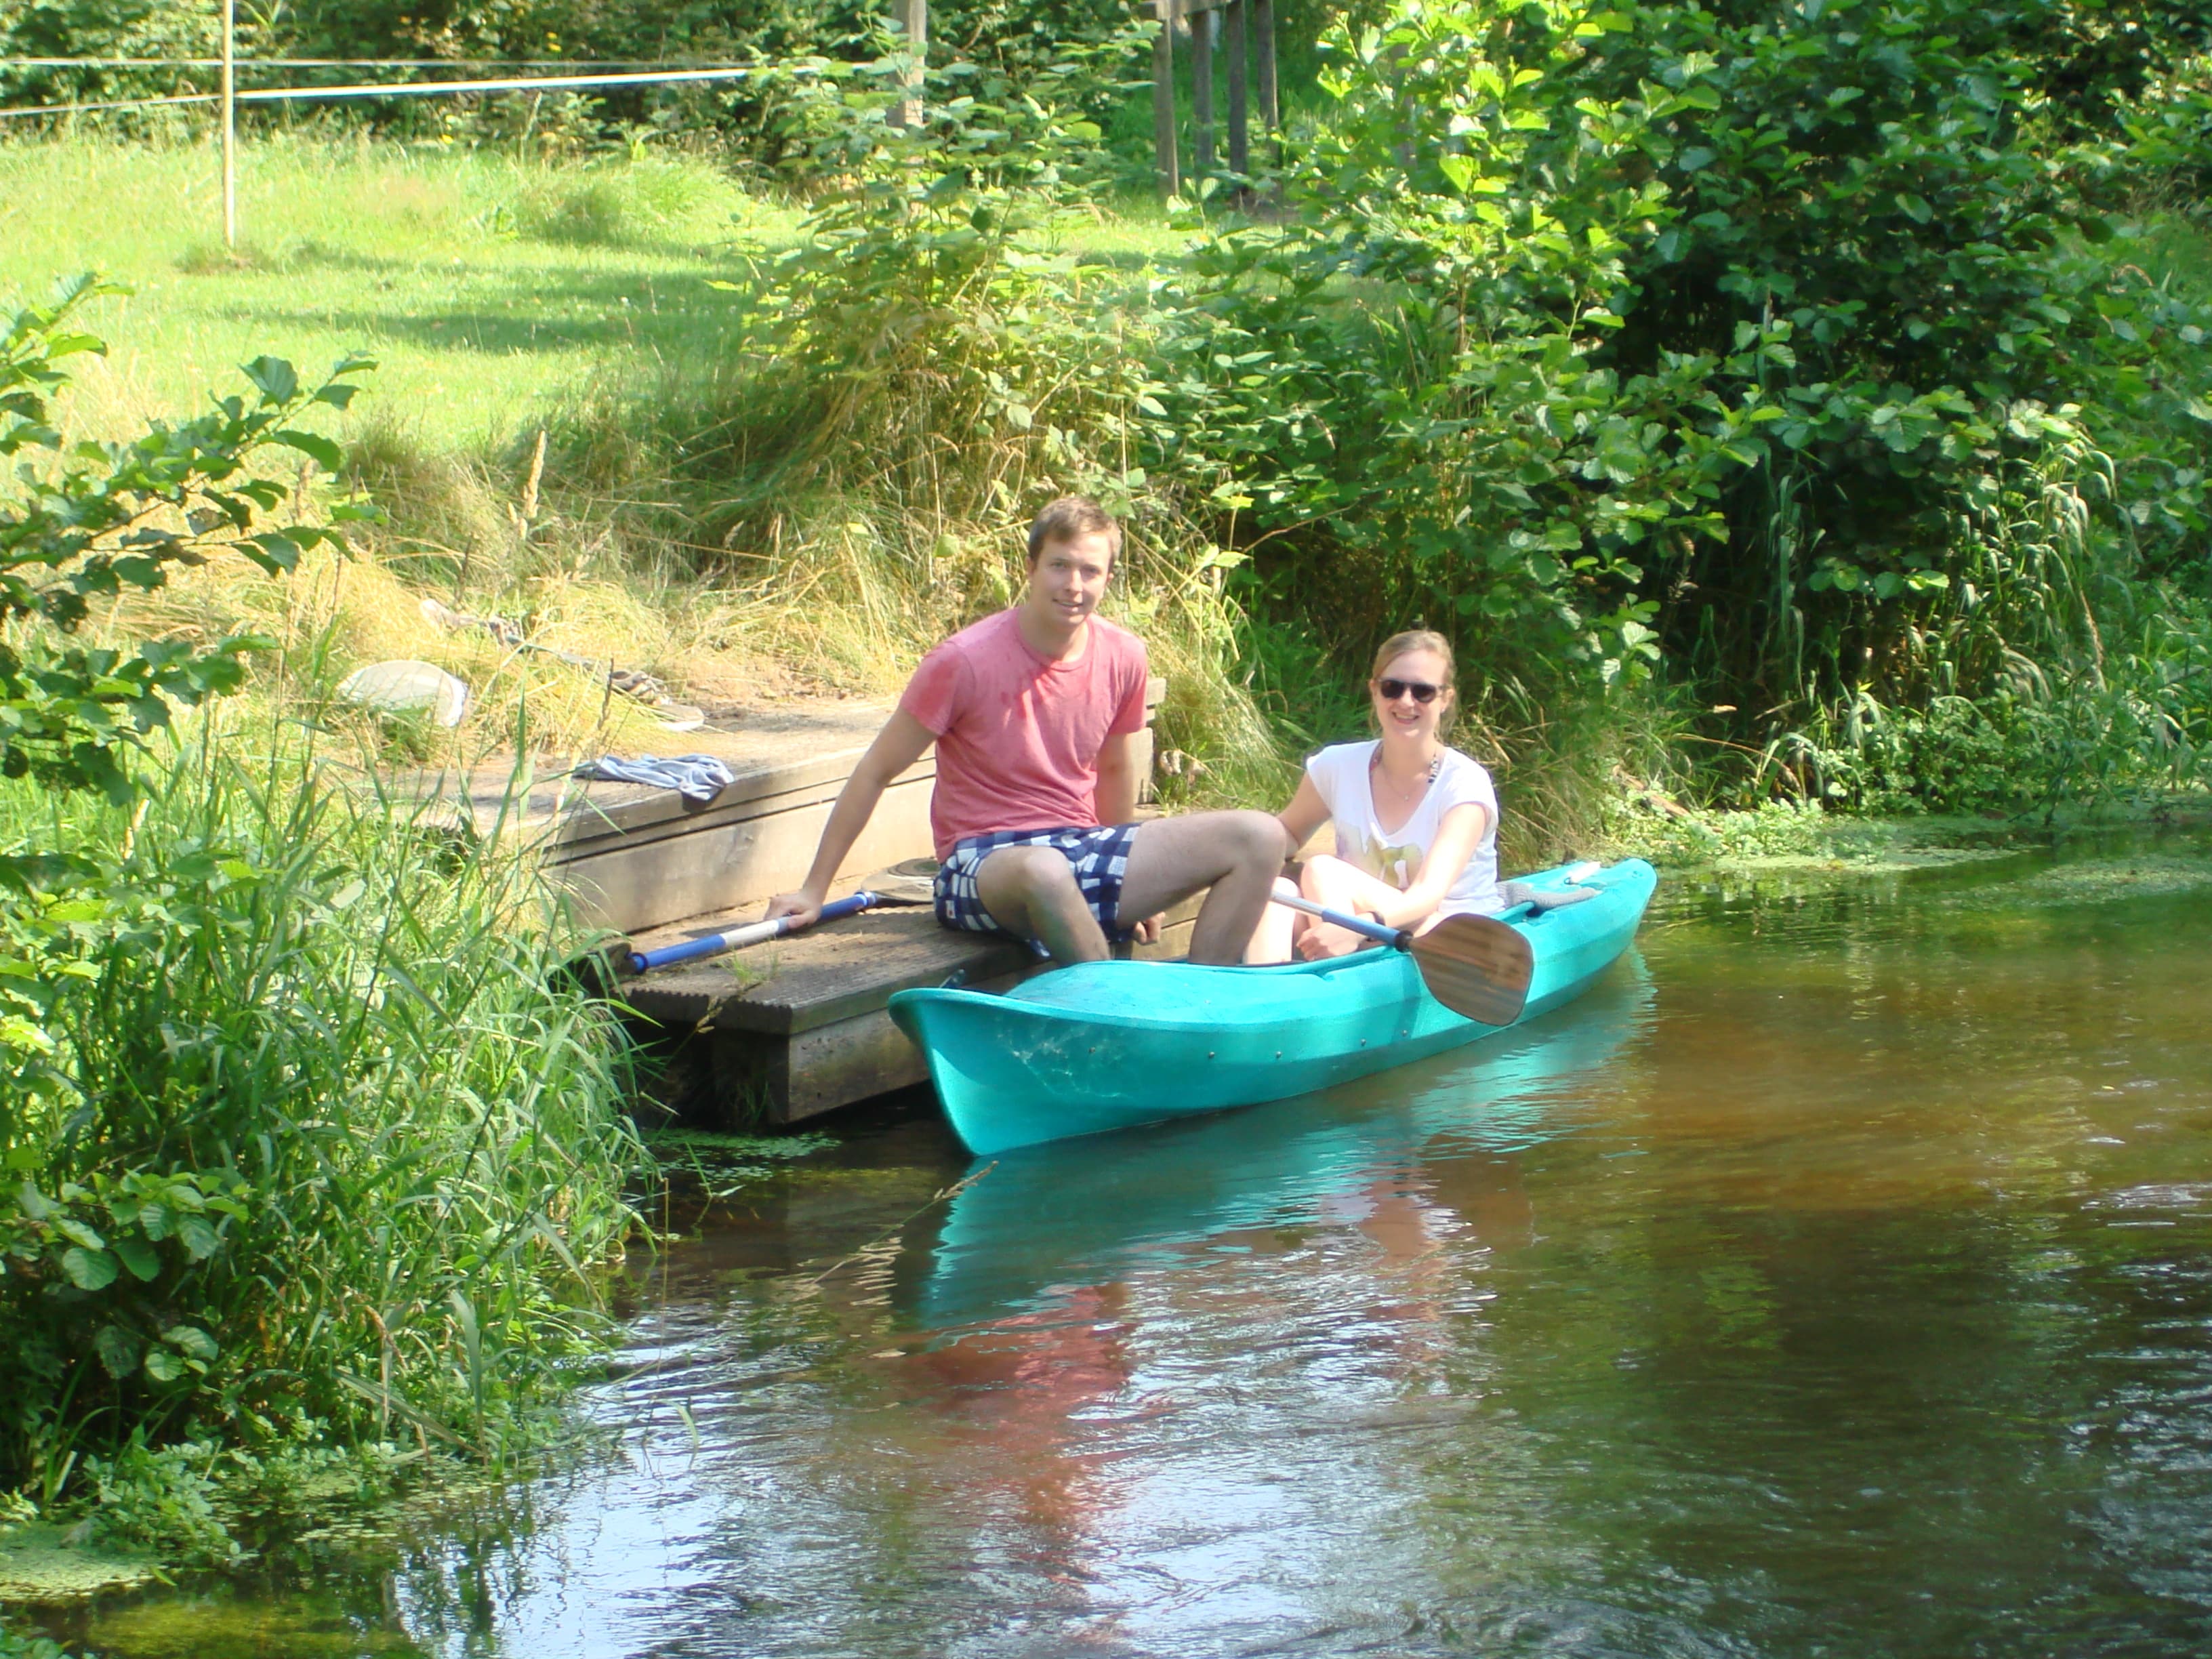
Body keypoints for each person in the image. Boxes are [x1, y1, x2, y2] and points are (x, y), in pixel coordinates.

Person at [763, 497, 1286, 966]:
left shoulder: (1125, 655)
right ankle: (1110, 1008)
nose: (1074, 585)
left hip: (1080, 846)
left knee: (1262, 835)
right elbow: (876, 771)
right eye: (1060, 566)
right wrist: (814, 890)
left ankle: (1203, 1007)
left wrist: (1134, 886)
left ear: (1108, 579)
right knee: (1043, 869)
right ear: (1032, 568)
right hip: (979, 866)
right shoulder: (962, 660)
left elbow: (1113, 768)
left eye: (1090, 571)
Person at [1244, 628, 1500, 964]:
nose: (1406, 701)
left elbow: (1428, 894)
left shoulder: (1464, 784)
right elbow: (1287, 834)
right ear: (1375, 691)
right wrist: (1226, 861)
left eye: (1423, 692)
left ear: (1445, 699)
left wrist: (1358, 927)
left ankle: (1337, 981)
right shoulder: (1337, 766)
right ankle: (1269, 987)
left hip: (1451, 939)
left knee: (1324, 871)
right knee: (1279, 893)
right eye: (1393, 688)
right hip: (1365, 928)